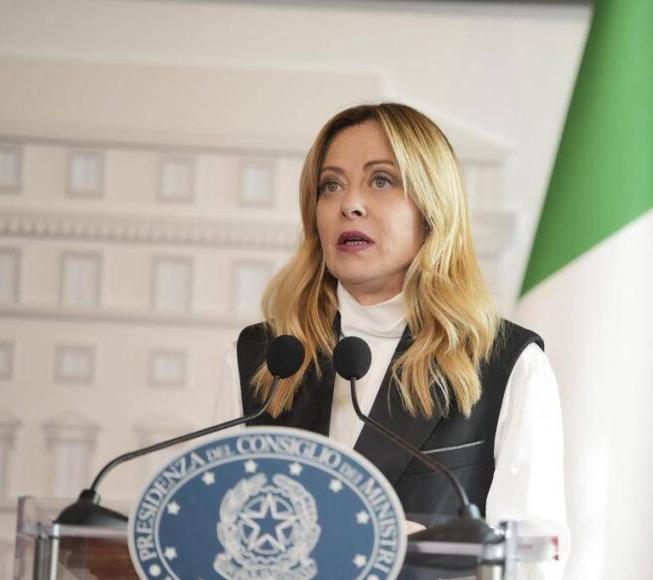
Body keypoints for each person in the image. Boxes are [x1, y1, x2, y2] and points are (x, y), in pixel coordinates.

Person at [214, 103, 567, 574]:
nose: (349, 204)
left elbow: (534, 563)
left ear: (431, 209)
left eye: (381, 180)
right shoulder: (262, 358)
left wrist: (420, 551)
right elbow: (210, 537)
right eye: (331, 185)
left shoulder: (506, 364)